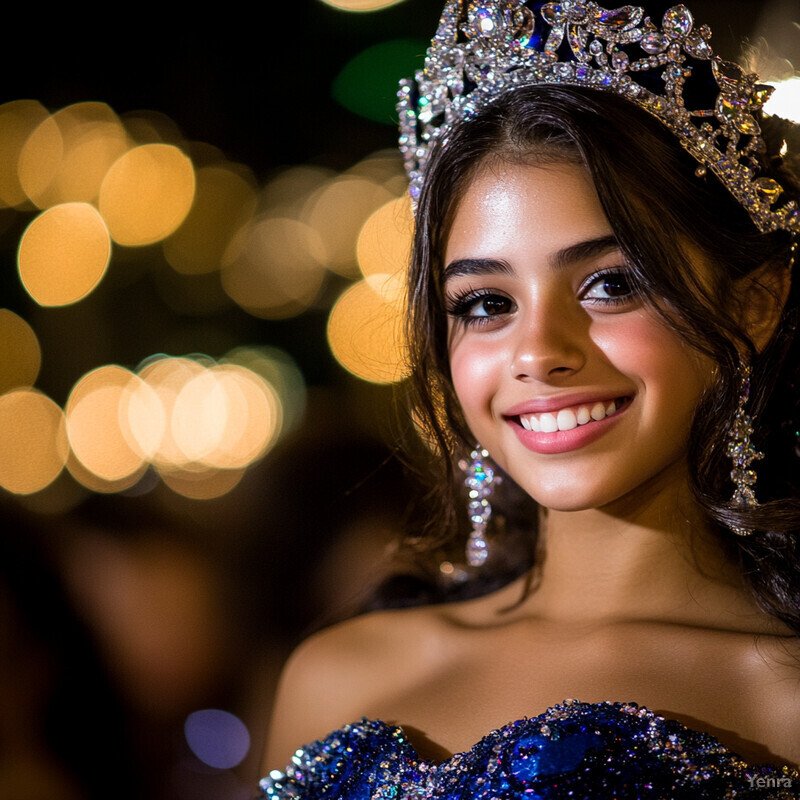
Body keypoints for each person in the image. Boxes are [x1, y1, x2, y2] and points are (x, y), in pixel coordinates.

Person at [261, 1, 800, 796]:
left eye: (611, 285)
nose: (540, 353)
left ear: (751, 305)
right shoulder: (334, 676)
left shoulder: (783, 696)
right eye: (486, 303)